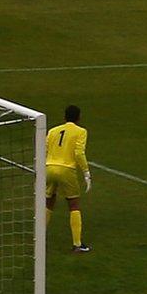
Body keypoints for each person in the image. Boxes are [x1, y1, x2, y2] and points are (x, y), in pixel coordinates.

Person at [44, 105, 92, 253]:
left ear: (64, 117)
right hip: (66, 169)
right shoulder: (81, 131)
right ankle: (77, 244)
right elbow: (78, 153)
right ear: (78, 118)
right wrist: (86, 172)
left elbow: (44, 150)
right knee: (73, 204)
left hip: (49, 168)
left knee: (49, 201)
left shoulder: (52, 131)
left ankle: (39, 238)